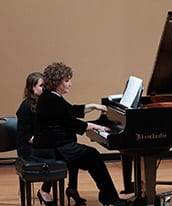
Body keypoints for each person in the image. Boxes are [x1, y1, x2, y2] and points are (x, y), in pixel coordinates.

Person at [32, 62, 127, 206]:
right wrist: (95, 127)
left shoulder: (51, 97)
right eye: (66, 81)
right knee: (93, 156)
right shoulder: (52, 100)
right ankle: (111, 200)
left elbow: (72, 110)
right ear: (57, 82)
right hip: (54, 149)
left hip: (55, 146)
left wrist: (94, 106)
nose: (70, 84)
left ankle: (109, 198)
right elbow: (71, 122)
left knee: (92, 157)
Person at [16, 72, 87, 206]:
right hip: (30, 147)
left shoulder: (49, 100)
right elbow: (28, 137)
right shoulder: (25, 107)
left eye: (46, 85)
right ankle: (44, 190)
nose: (45, 88)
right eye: (42, 86)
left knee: (71, 150)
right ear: (32, 88)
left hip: (43, 143)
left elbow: (70, 111)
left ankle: (72, 187)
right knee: (59, 153)